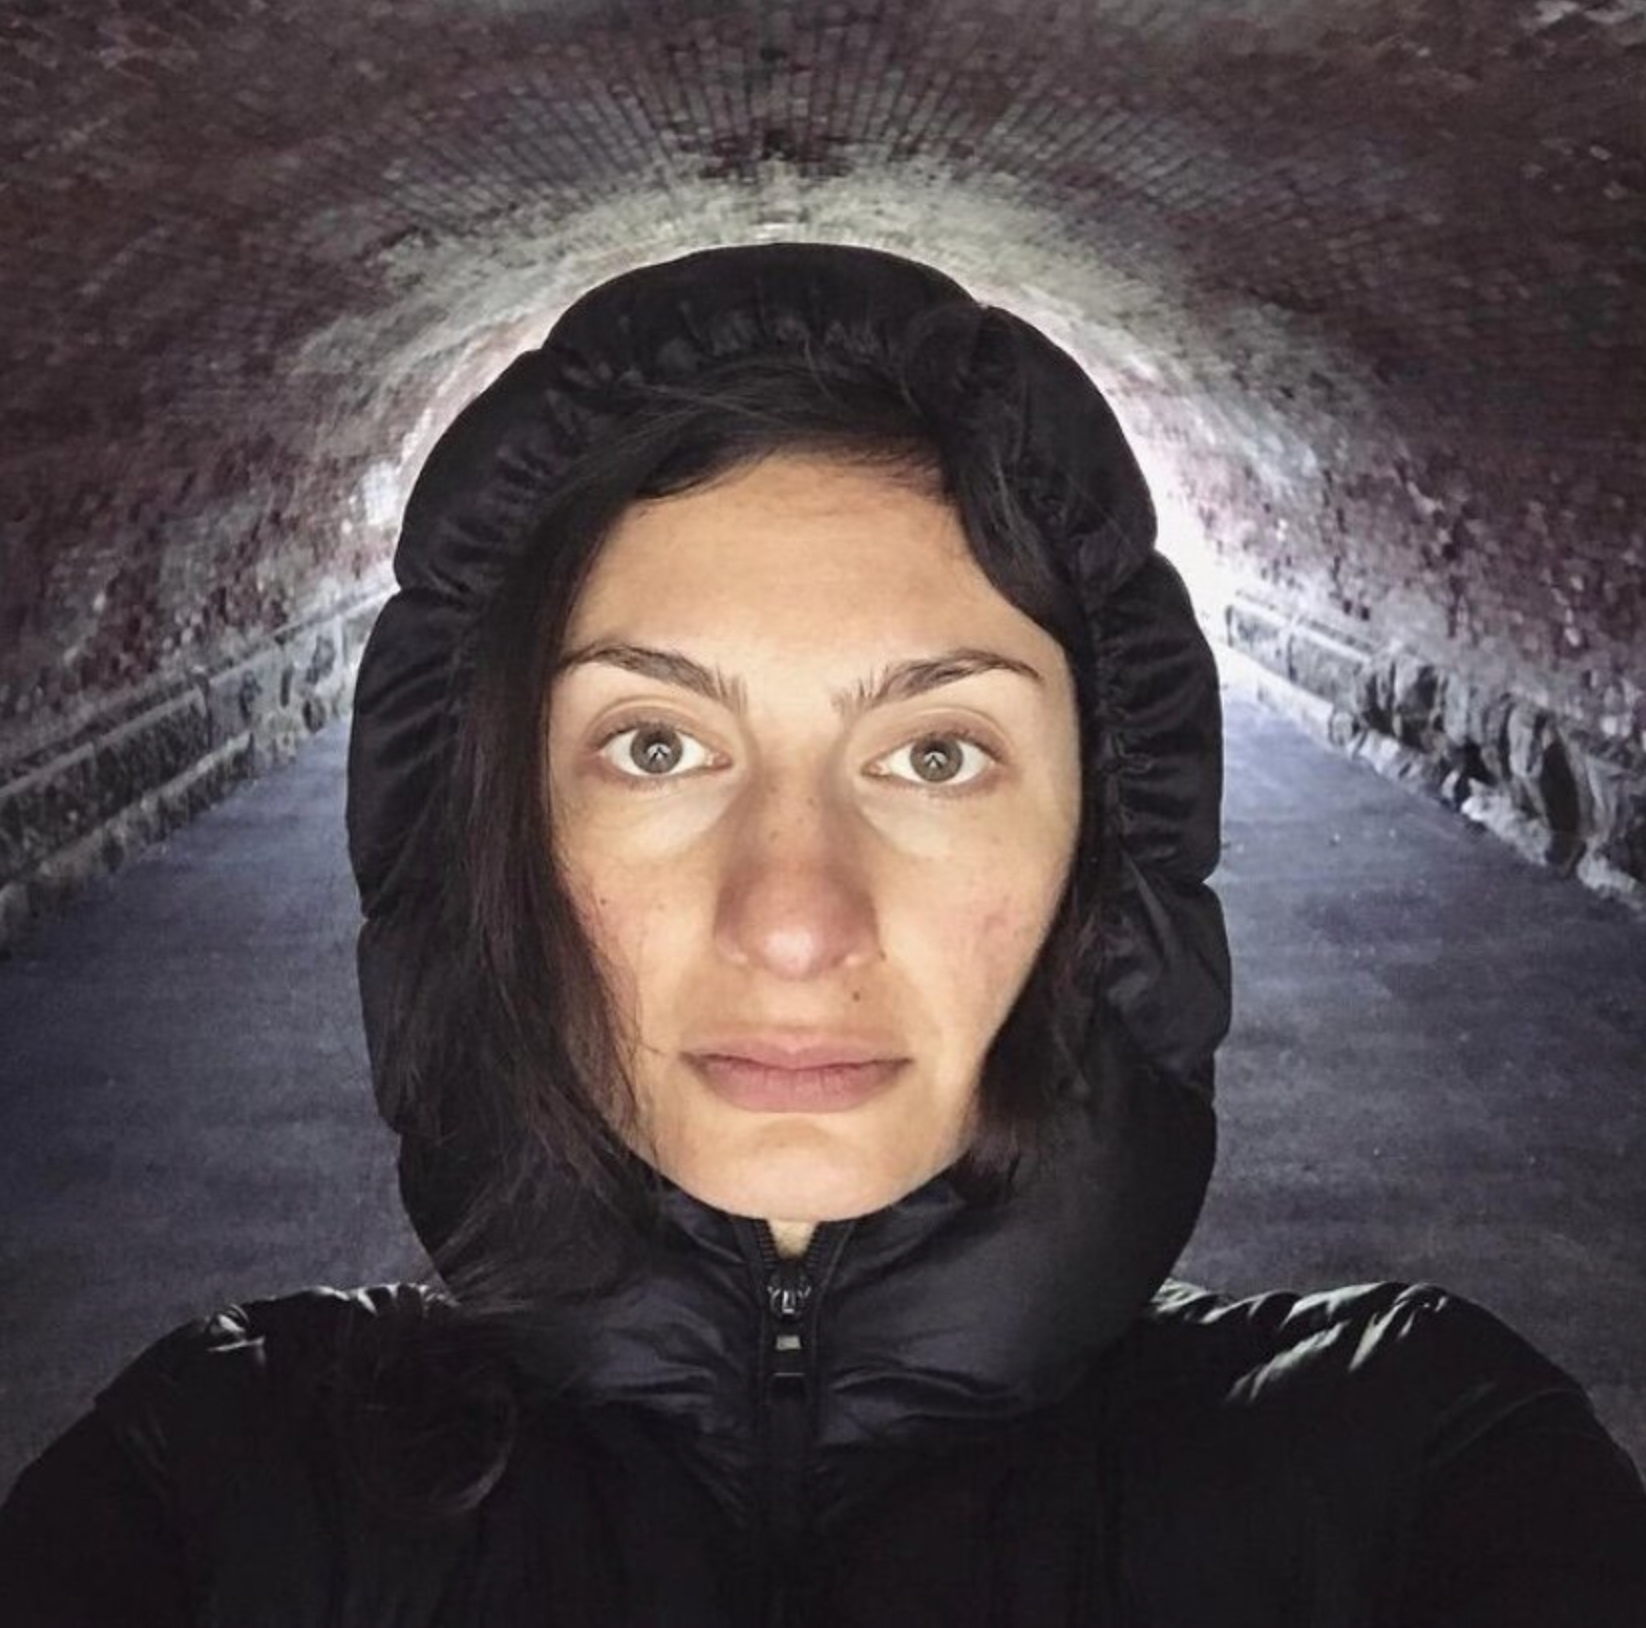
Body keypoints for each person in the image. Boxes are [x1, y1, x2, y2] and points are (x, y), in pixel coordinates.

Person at [2, 241, 1643, 1627]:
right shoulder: (209, 1489)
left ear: (1103, 844)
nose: (793, 926)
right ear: (494, 831)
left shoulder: (1418, 1470)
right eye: (656, 745)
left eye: (935, 756)